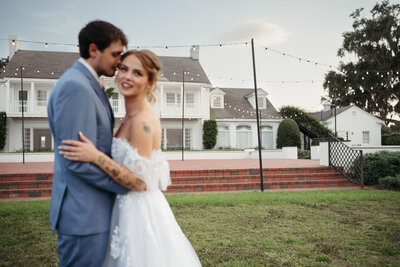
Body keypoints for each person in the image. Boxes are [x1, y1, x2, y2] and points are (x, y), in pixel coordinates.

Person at [59, 50, 202, 266]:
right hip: (123, 206)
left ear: (150, 83)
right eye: (124, 69)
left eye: (137, 73)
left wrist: (96, 156)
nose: (127, 77)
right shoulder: (129, 116)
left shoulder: (142, 122)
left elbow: (141, 182)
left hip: (138, 213)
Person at [47, 20, 146, 267]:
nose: (119, 62)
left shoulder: (89, 84)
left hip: (94, 213)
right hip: (84, 216)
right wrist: (127, 185)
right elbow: (76, 160)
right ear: (93, 50)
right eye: (115, 54)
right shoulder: (76, 86)